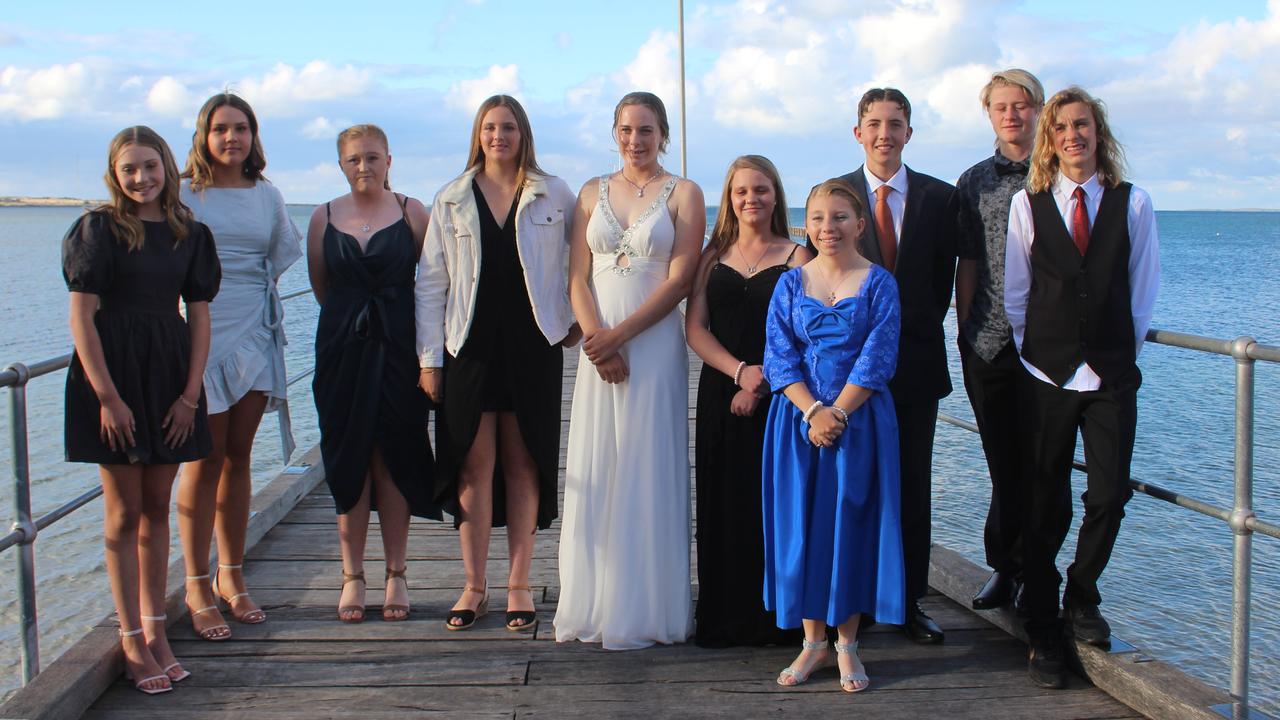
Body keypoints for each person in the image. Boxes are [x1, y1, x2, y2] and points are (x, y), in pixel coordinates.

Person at [1005, 86, 1159, 688]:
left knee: (1109, 493)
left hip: (1112, 375)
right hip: (1046, 372)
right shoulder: (1030, 202)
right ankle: (1044, 628)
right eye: (1062, 126)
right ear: (1050, 138)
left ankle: (1083, 593)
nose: (1073, 135)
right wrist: (1033, 353)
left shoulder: (1134, 203)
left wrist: (1118, 351)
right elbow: (1018, 290)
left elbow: (1142, 290)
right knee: (1043, 503)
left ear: (1099, 133)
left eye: (1083, 125)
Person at [63, 126, 221, 693]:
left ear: (167, 168)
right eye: (129, 169)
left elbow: (199, 316)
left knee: (158, 508)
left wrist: (191, 394)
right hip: (114, 376)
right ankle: (131, 638)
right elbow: (82, 318)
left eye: (150, 166)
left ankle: (157, 631)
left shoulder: (190, 234)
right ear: (115, 173)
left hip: (171, 374)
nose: (141, 178)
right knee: (123, 513)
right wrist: (107, 396)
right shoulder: (98, 230)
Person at [416, 95, 579, 632]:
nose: (498, 136)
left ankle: (518, 586)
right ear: (477, 134)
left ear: (523, 133)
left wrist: (578, 318)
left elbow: (578, 263)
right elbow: (431, 283)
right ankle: (474, 584)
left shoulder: (552, 192)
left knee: (525, 460)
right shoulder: (452, 197)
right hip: (469, 345)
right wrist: (428, 361)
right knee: (471, 463)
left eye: (508, 127)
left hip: (534, 345)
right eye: (490, 127)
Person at [554, 91, 705, 649]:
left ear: (663, 133)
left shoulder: (684, 193)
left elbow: (680, 280)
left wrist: (620, 336)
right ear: (614, 133)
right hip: (599, 347)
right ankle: (593, 602)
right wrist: (598, 341)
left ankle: (645, 606)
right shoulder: (591, 192)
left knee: (645, 461)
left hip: (653, 344)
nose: (635, 140)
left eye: (646, 130)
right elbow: (576, 277)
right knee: (599, 463)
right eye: (626, 129)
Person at [762, 178, 904, 693]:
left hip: (858, 422)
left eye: (840, 217)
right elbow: (779, 356)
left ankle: (847, 644)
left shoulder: (880, 283)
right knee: (802, 528)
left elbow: (879, 356)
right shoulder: (790, 283)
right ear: (807, 225)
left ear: (860, 224)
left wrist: (837, 413)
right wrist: (812, 411)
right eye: (818, 218)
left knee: (850, 526)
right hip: (797, 423)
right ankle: (812, 643)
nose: (829, 227)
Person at [178, 92, 303, 641]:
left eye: (242, 129)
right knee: (201, 462)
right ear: (204, 135)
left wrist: (257, 298)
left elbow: (280, 254)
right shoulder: (184, 195)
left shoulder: (266, 195)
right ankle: (195, 583)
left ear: (254, 137)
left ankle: (233, 575)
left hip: (253, 331)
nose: (232, 138)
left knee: (238, 457)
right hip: (197, 333)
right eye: (221, 129)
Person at [836, 88, 957, 644]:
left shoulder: (940, 198)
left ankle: (908, 603)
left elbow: (945, 284)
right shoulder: (839, 197)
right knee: (853, 485)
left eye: (896, 123)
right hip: (849, 373)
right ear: (858, 131)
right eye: (875, 123)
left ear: (910, 132)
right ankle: (850, 600)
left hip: (915, 370)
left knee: (911, 488)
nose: (885, 133)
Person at [307, 124, 440, 624]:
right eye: (353, 160)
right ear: (341, 165)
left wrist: (430, 359)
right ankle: (353, 577)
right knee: (349, 461)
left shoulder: (413, 213)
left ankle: (397, 574)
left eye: (372, 158)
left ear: (389, 160)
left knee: (395, 458)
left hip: (400, 352)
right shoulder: (322, 217)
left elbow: (432, 286)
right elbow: (323, 287)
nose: (364, 167)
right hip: (342, 353)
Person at [685, 155, 810, 647]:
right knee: (723, 502)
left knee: (775, 504)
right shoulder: (711, 255)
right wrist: (739, 372)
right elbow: (694, 328)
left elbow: (807, 338)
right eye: (741, 191)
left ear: (776, 195)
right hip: (721, 390)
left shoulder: (797, 257)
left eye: (760, 189)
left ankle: (778, 619)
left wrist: (763, 382)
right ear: (729, 198)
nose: (750, 199)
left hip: (780, 398)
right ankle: (725, 617)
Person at [953, 70, 1046, 612]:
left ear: (1039, 110)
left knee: (1044, 465)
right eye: (1001, 107)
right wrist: (966, 334)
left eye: (1023, 105)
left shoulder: (1061, 174)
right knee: (1002, 462)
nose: (1012, 116)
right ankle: (1005, 568)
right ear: (989, 114)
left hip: (1051, 348)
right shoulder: (974, 182)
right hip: (987, 342)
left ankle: (1039, 572)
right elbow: (967, 262)